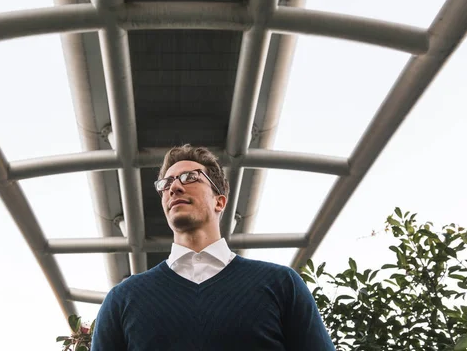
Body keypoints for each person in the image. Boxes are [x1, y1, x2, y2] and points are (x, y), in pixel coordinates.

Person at [91, 145, 335, 350]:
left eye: (190, 177)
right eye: (165, 184)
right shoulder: (122, 299)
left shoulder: (282, 284)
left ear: (220, 201)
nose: (174, 187)